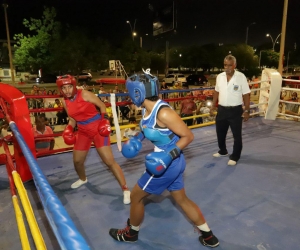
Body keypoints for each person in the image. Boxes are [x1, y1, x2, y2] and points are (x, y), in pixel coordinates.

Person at [109, 70, 219, 248]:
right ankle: (209, 237)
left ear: (137, 93)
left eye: (130, 93)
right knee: (181, 199)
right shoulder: (147, 109)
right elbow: (149, 129)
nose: (129, 97)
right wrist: (138, 138)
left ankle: (131, 233)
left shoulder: (164, 113)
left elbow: (188, 136)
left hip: (167, 164)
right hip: (172, 163)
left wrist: (168, 156)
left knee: (136, 196)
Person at [56, 75, 130, 204]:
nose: (67, 90)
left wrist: (105, 120)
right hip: (83, 131)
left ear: (74, 86)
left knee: (109, 161)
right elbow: (73, 119)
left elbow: (102, 106)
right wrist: (68, 128)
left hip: (97, 129)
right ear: (61, 89)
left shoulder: (85, 94)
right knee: (77, 161)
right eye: (64, 88)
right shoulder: (64, 101)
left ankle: (125, 189)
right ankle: (83, 179)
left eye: (69, 87)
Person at [210, 55, 251, 166]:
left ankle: (235, 156)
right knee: (220, 133)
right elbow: (216, 91)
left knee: (236, 135)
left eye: (230, 65)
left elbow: (246, 94)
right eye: (225, 65)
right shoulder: (219, 76)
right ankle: (223, 151)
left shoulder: (241, 77)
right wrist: (213, 105)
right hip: (222, 109)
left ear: (235, 65)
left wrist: (247, 110)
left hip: (235, 111)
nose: (227, 67)